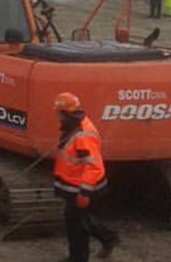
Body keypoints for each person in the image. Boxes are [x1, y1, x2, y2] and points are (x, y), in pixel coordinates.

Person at [53, 92, 120, 261]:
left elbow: (93, 166)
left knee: (78, 224)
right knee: (79, 222)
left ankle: (81, 256)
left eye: (58, 113)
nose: (57, 116)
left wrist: (84, 192)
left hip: (82, 187)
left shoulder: (82, 133)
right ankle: (103, 241)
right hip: (75, 184)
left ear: (65, 113)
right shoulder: (74, 127)